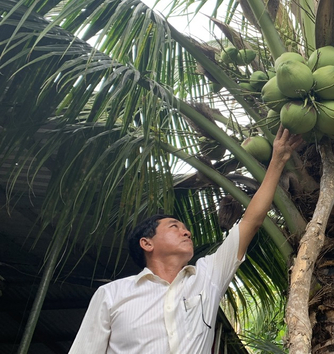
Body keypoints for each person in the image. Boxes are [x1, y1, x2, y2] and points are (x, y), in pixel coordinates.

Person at [70, 127, 302, 353]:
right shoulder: (112, 295)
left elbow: (251, 222)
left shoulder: (208, 276)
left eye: (185, 228)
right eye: (174, 227)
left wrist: (277, 161)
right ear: (147, 243)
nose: (187, 232)